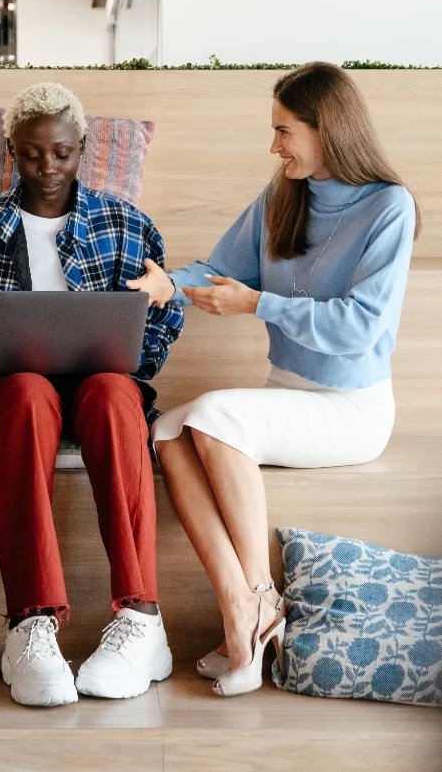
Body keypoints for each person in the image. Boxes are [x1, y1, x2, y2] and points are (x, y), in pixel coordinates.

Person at [128, 61, 419, 697]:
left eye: (285, 131)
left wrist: (258, 304)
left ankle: (259, 600)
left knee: (213, 416)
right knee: (169, 429)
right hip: (288, 391)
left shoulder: (389, 207)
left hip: (352, 408)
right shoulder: (283, 195)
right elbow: (221, 267)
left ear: (328, 129)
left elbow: (360, 328)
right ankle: (240, 602)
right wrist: (167, 284)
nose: (274, 145)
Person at [0, 82, 183, 706]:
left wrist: (129, 356)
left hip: (102, 386)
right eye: (33, 155)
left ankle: (141, 618)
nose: (48, 168)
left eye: (63, 154)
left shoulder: (126, 223)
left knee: (112, 394)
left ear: (83, 150)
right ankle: (30, 623)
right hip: (11, 389)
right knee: (25, 393)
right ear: (12, 151)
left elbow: (162, 316)